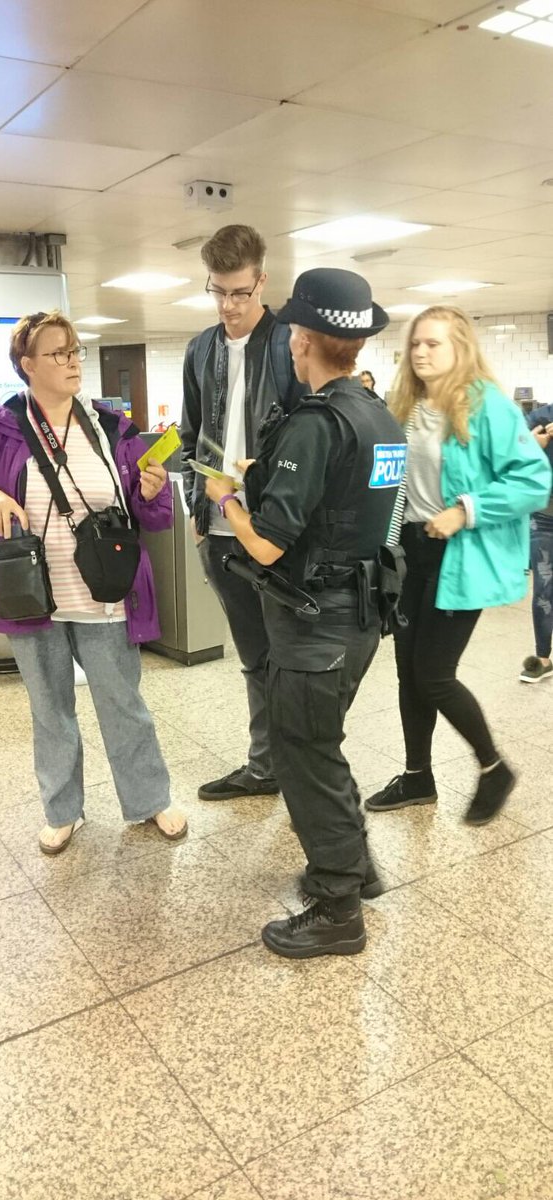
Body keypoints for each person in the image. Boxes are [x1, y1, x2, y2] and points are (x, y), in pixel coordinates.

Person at [0, 310, 187, 853]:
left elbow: (152, 515)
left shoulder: (111, 428)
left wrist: (153, 490)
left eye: (74, 350)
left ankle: (149, 798)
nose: (71, 361)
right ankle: (63, 810)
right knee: (50, 712)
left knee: (123, 704)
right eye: (57, 353)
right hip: (32, 597)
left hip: (104, 594)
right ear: (27, 364)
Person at [204, 267, 407, 959]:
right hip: (361, 614)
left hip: (313, 622)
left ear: (303, 340)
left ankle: (336, 907)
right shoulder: (379, 417)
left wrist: (227, 497)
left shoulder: (316, 424)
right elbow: (355, 506)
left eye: (291, 329)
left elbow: (266, 544)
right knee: (322, 744)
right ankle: (357, 866)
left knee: (302, 754)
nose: (288, 340)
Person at [364, 306, 551, 826]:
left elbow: (533, 481)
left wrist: (466, 510)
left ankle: (494, 768)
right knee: (408, 673)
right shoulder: (404, 405)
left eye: (434, 344)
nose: (421, 352)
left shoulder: (488, 407)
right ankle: (417, 777)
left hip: (460, 555)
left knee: (433, 674)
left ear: (460, 348)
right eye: (415, 344)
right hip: (409, 553)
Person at [180, 224, 297, 803]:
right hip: (220, 533)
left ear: (262, 282)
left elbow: (308, 437)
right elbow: (190, 436)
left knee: (290, 659)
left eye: (239, 293)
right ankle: (266, 765)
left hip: (275, 534)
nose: (228, 305)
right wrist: (196, 509)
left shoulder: (289, 345)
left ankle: (297, 764)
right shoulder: (200, 349)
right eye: (218, 291)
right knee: (253, 657)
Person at [520, 401, 553, 682]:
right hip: (544, 517)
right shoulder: (541, 417)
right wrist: (533, 443)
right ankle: (543, 657)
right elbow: (511, 452)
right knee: (543, 588)